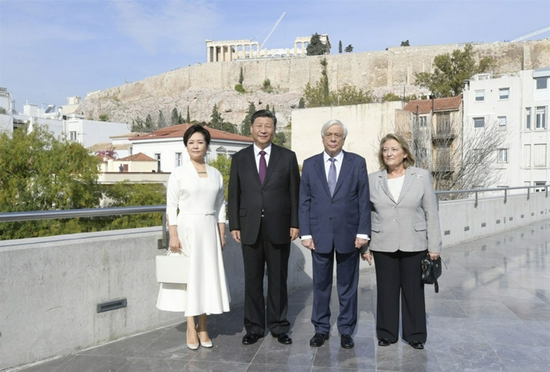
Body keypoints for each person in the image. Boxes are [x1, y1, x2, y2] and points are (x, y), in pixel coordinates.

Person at [362, 133, 441, 350]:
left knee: (413, 291)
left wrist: (434, 246)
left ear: (404, 153)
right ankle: (387, 334)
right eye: (385, 149)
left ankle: (415, 335)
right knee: (386, 291)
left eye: (394, 149)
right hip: (382, 242)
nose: (389, 153)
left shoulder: (421, 176)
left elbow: (431, 212)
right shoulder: (372, 179)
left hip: (414, 242)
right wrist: (365, 247)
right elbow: (366, 214)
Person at [228, 109, 300, 346]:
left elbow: (294, 194)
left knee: (279, 280)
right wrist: (234, 224)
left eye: (267, 126)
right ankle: (254, 327)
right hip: (249, 227)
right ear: (251, 128)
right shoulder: (239, 159)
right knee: (253, 281)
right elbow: (234, 194)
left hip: (279, 226)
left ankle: (279, 326)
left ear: (274, 129)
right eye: (259, 125)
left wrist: (295, 223)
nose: (263, 130)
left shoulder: (287, 157)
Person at [156, 124, 230, 350]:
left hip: (209, 230)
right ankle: (190, 325)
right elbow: (171, 206)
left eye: (200, 142)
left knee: (207, 277)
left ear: (206, 145)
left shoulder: (216, 174)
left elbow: (220, 205)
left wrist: (221, 231)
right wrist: (173, 234)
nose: (195, 146)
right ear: (186, 146)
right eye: (191, 142)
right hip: (187, 228)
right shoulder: (178, 174)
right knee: (190, 278)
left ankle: (204, 325)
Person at [299, 119, 371, 349]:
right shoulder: (310, 165)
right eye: (329, 134)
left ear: (343, 139)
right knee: (320, 285)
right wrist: (305, 233)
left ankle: (346, 330)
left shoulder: (357, 163)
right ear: (322, 138)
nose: (332, 138)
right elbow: (305, 201)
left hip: (349, 234)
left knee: (347, 286)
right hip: (319, 235)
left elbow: (363, 200)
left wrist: (363, 233)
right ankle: (321, 328)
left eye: (337, 135)